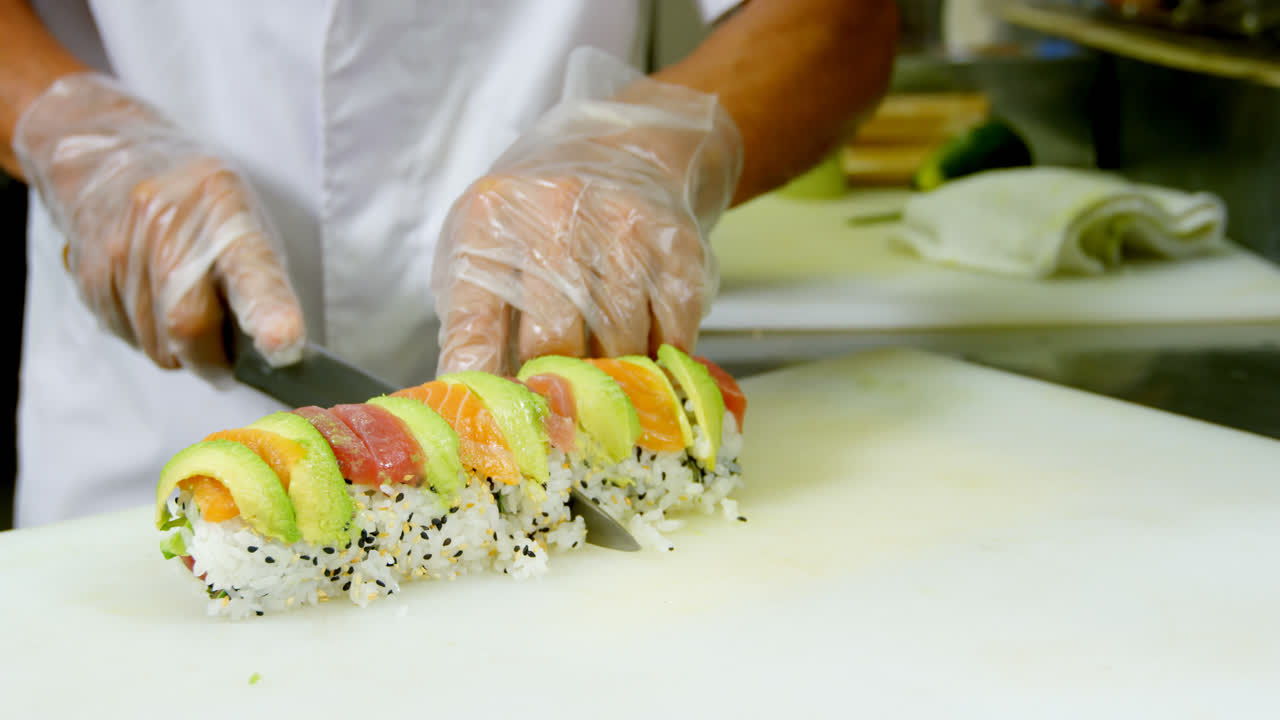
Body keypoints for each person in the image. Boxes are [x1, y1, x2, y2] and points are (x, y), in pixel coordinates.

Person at [1, 0, 897, 527]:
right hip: (150, 402)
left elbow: (838, 18)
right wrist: (71, 131)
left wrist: (648, 147)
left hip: (564, 388)